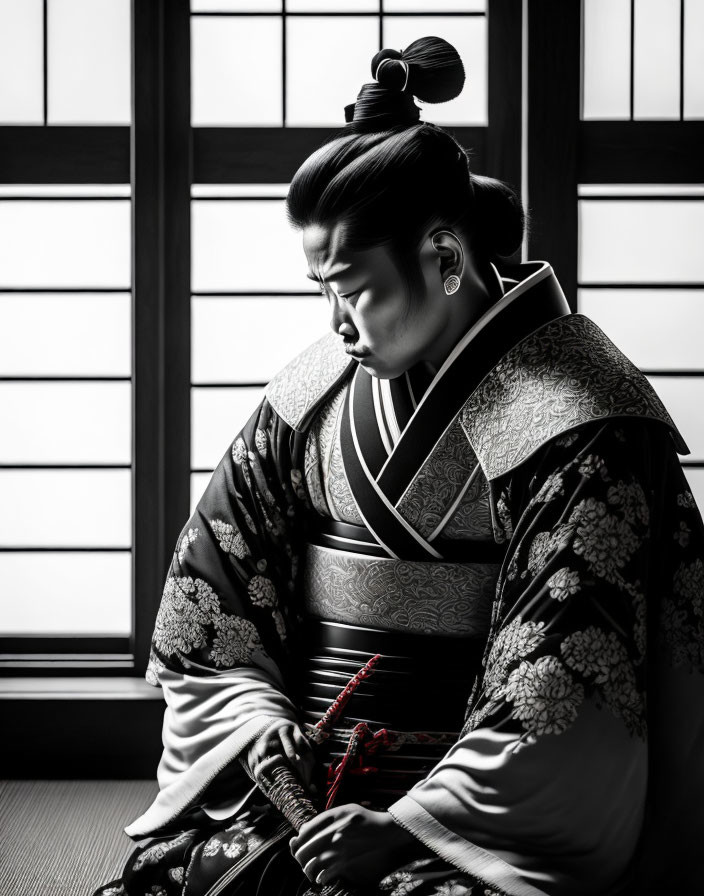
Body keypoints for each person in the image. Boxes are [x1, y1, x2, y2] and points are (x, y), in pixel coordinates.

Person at [92, 36, 704, 896]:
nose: (337, 323)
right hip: (305, 788)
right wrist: (258, 727)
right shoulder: (309, 399)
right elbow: (214, 604)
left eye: (356, 289)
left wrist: (405, 826)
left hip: (466, 824)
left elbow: (565, 694)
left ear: (446, 258)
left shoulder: (580, 421)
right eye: (323, 292)